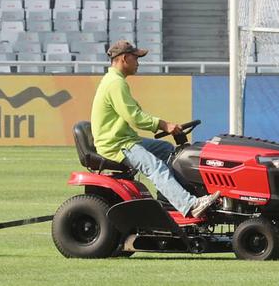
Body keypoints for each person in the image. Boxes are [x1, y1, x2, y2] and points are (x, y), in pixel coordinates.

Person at [91, 40, 221, 217]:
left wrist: (164, 126)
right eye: (136, 58)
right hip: (116, 144)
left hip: (125, 139)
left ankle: (169, 200)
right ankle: (190, 204)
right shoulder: (115, 83)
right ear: (124, 58)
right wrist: (164, 125)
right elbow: (134, 117)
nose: (138, 62)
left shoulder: (115, 81)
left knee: (169, 151)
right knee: (155, 167)